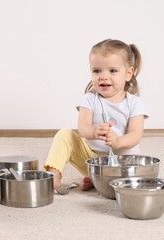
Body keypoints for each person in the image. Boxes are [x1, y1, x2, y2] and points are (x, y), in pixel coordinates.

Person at [43, 39, 148, 191]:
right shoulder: (89, 99)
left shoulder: (134, 103)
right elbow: (83, 127)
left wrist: (118, 141)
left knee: (131, 181)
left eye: (112, 71)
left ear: (128, 74)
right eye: (97, 71)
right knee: (64, 134)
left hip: (123, 166)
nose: (103, 77)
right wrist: (94, 131)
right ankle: (53, 178)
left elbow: (136, 134)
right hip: (94, 163)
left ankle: (99, 181)